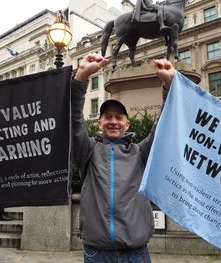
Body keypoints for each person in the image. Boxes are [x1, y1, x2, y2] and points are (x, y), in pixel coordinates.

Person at [72, 53, 174, 262]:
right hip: (97, 254)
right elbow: (74, 121)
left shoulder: (140, 152)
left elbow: (164, 126)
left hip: (135, 253)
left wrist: (169, 87)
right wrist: (80, 79)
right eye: (107, 117)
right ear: (99, 124)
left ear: (127, 124)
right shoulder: (88, 151)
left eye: (119, 117)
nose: (113, 121)